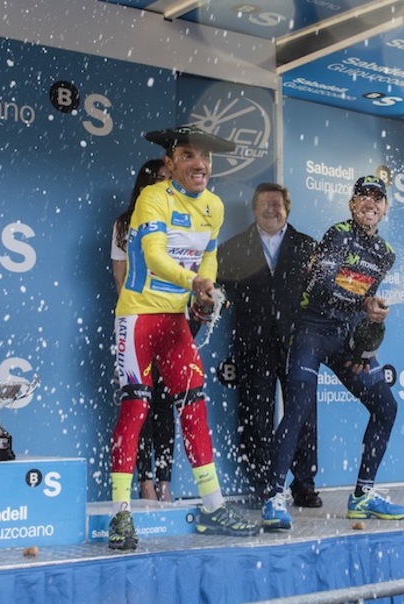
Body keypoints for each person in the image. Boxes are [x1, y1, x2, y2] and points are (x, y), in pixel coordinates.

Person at [108, 125, 259, 550]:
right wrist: (194, 282)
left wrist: (207, 285)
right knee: (136, 408)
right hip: (138, 316)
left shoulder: (213, 205)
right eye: (189, 157)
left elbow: (208, 253)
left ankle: (212, 506)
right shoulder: (152, 198)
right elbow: (155, 257)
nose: (200, 165)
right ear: (170, 164)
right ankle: (121, 515)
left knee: (194, 407)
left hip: (175, 322)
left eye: (205, 158)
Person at [261, 175, 404, 530]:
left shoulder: (385, 254)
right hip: (312, 331)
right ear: (352, 204)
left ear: (385, 208)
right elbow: (321, 286)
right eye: (364, 197)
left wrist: (363, 341)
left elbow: (363, 306)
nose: (371, 203)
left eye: (378, 198)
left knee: (386, 407)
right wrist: (365, 301)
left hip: (345, 339)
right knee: (297, 409)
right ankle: (272, 497)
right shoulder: (338, 233)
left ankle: (362, 495)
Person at [217, 183, 320, 509]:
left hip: (298, 344)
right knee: (254, 415)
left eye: (276, 203)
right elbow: (217, 289)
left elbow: (321, 296)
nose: (270, 209)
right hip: (254, 343)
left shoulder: (308, 247)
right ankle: (264, 486)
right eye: (264, 203)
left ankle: (304, 484)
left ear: (287, 208)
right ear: (254, 209)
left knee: (303, 414)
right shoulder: (232, 248)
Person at [111, 159, 176, 502]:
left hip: (172, 322)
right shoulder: (125, 223)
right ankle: (144, 481)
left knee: (167, 404)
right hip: (137, 324)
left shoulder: (181, 219)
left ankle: (165, 481)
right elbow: (120, 279)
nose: (168, 186)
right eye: (163, 179)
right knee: (140, 404)